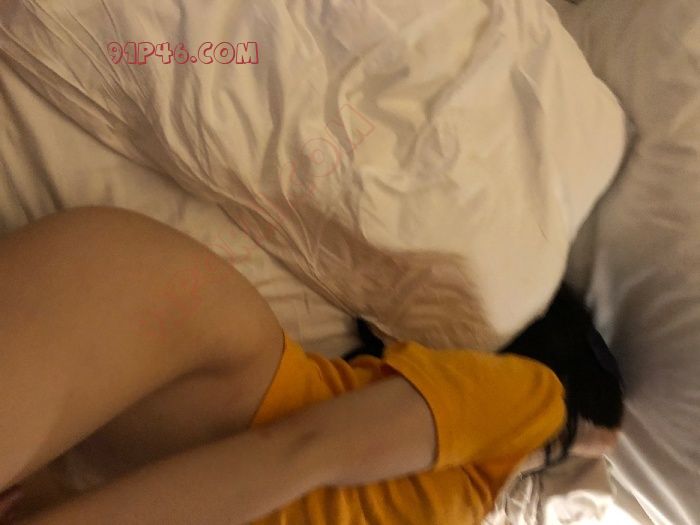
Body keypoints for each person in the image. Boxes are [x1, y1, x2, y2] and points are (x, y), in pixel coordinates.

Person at [0, 206, 622, 524]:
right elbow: (300, 452)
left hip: (116, 387)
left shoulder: (470, 492)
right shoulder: (534, 398)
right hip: (169, 319)